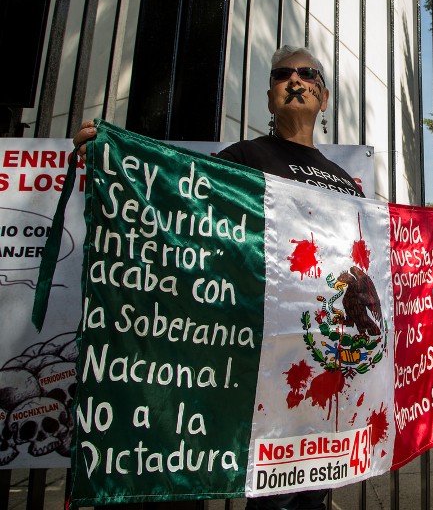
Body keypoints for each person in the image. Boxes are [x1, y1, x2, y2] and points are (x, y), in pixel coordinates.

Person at [74, 45, 363, 510]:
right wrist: (112, 158)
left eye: (308, 74)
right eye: (283, 75)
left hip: (322, 356)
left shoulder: (345, 181)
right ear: (270, 97)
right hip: (259, 358)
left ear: (323, 97)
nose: (296, 80)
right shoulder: (243, 157)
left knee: (307, 492)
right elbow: (180, 205)